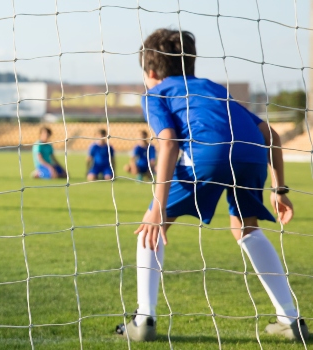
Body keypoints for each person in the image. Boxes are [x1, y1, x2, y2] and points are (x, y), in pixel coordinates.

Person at [116, 28, 306, 342]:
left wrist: (157, 208)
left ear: (150, 72)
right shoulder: (214, 89)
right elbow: (271, 134)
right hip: (251, 154)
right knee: (247, 228)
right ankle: (290, 318)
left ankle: (144, 317)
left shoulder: (155, 93)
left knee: (152, 224)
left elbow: (167, 141)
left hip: (210, 153)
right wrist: (280, 189)